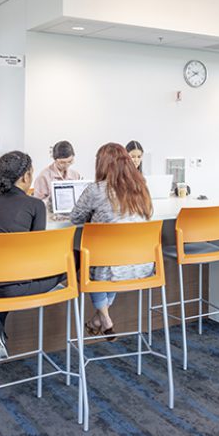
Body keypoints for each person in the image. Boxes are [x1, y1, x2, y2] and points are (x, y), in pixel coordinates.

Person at [0, 151, 64, 360]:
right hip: (13, 288)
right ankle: (96, 322)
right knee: (72, 264)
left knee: (9, 278)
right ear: (25, 177)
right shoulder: (34, 205)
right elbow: (37, 253)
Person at [70, 142, 153, 338]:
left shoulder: (96, 190)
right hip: (143, 265)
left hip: (110, 268)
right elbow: (149, 214)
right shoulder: (141, 187)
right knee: (110, 256)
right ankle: (99, 318)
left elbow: (75, 218)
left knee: (94, 259)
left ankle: (103, 318)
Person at [32, 140, 82, 207]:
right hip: (51, 215)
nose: (66, 165)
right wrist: (51, 199)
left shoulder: (75, 175)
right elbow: (37, 204)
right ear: (54, 159)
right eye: (62, 162)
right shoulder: (44, 176)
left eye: (70, 161)